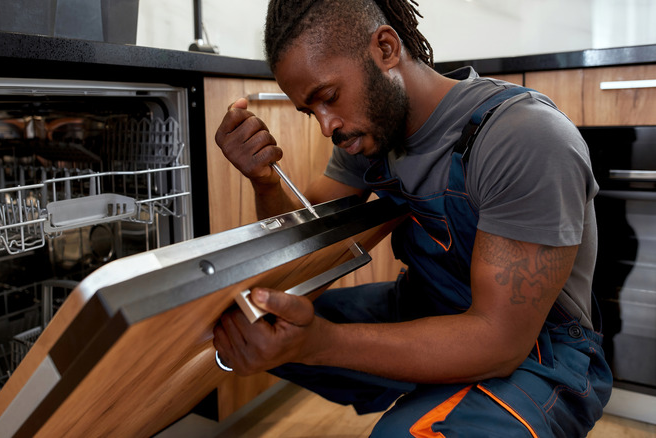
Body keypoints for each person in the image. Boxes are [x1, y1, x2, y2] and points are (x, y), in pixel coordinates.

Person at [212, 0, 612, 436]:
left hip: (538, 352)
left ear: (385, 48)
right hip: (428, 305)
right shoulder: (368, 133)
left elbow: (499, 342)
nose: (326, 126)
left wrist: (320, 344)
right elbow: (305, 253)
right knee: (255, 326)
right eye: (311, 112)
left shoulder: (522, 138)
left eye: (328, 98)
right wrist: (265, 183)